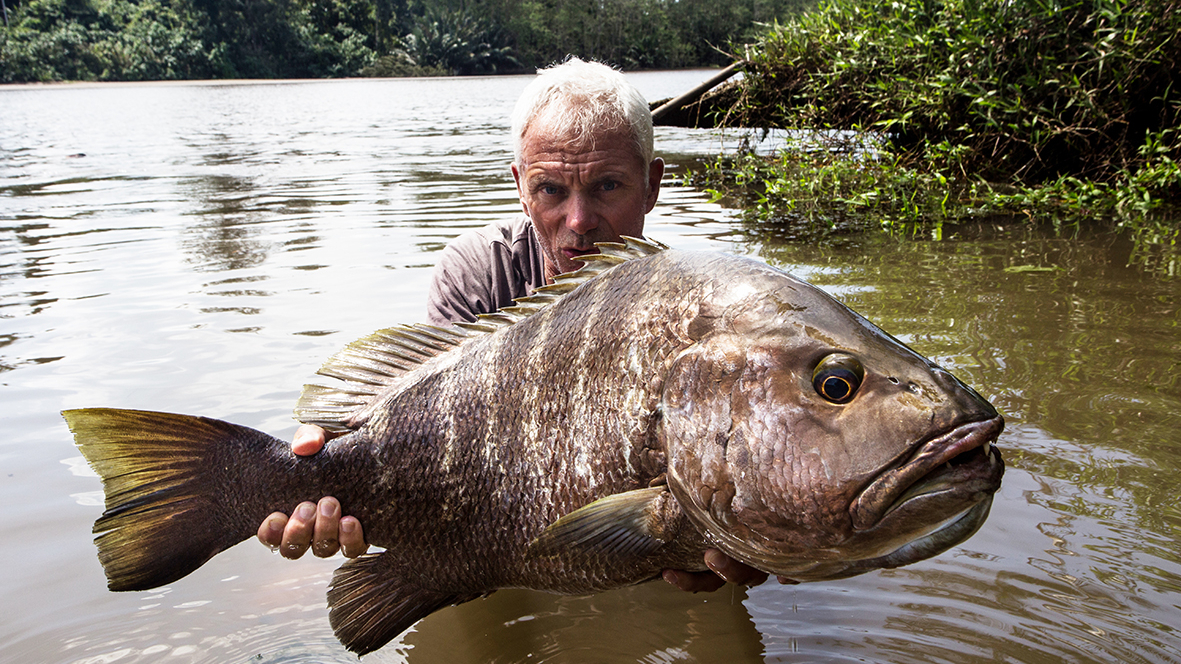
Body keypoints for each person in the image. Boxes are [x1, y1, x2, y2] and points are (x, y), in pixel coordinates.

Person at [256, 58, 768, 593]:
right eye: (551, 190)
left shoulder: (704, 315)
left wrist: (780, 534)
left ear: (651, 186)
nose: (579, 221)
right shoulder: (478, 274)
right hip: (491, 546)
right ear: (520, 186)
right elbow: (424, 428)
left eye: (607, 186)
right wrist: (323, 456)